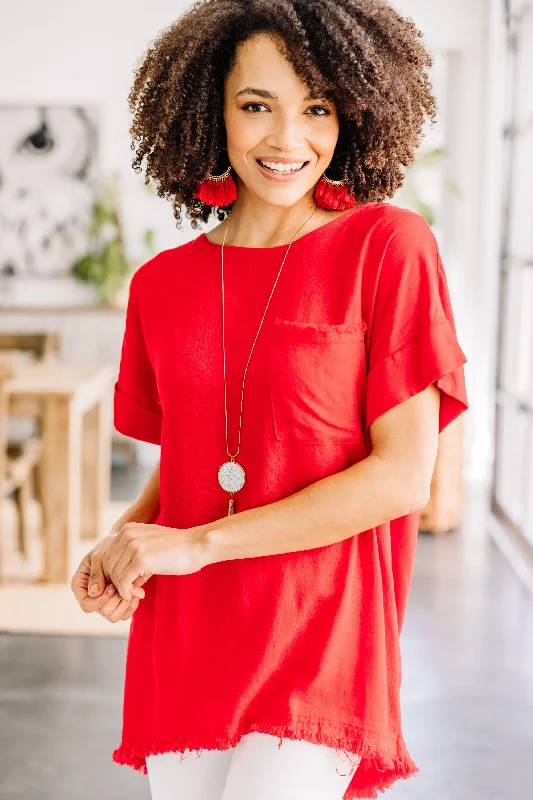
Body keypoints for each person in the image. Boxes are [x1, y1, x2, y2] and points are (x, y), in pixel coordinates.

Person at [70, 2, 469, 798]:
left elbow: (399, 479)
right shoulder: (159, 286)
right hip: (185, 636)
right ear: (209, 111)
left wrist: (192, 547)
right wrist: (124, 543)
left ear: (352, 112)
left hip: (319, 633)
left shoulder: (387, 248)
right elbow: (187, 466)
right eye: (257, 106)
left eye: (316, 109)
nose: (288, 141)